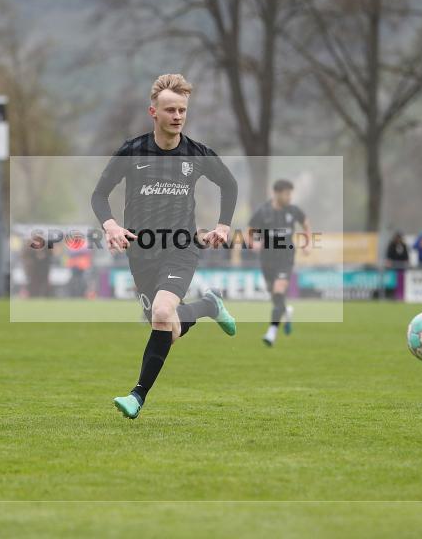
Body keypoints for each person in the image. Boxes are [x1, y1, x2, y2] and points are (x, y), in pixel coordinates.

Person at [91, 73, 239, 419]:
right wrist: (110, 224)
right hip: (140, 255)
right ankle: (207, 306)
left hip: (180, 248)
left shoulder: (198, 154)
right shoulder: (132, 151)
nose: (177, 116)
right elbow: (99, 194)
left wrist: (223, 225)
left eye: (182, 110)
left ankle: (136, 397)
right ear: (153, 112)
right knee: (167, 330)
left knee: (161, 314)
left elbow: (229, 186)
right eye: (170, 109)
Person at [248, 179, 311, 347]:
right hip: (267, 259)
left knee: (278, 291)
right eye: (287, 193)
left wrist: (308, 242)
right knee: (276, 297)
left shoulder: (293, 210)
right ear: (276, 193)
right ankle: (285, 311)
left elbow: (305, 224)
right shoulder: (263, 212)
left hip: (286, 258)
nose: (290, 197)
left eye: (291, 193)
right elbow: (250, 230)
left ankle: (271, 332)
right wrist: (253, 242)